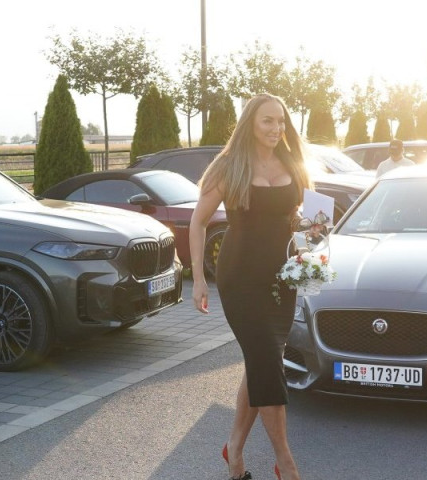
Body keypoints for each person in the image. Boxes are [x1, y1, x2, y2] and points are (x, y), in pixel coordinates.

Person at [190, 93, 311, 480]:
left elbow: (294, 216)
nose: (276, 128)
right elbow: (198, 222)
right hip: (240, 279)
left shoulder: (292, 162)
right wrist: (198, 279)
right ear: (250, 125)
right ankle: (286, 464)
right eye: (267, 121)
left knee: (262, 363)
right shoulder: (228, 166)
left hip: (282, 279)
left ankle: (235, 451)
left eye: (281, 121)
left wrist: (309, 233)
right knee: (267, 363)